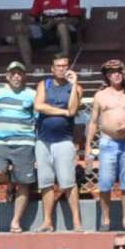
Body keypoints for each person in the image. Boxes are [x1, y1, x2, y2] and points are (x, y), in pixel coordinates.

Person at [85, 59, 125, 230]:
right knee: (105, 183)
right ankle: (105, 219)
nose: (116, 75)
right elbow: (93, 121)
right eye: (112, 72)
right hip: (108, 143)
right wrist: (89, 144)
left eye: (119, 71)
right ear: (107, 76)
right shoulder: (100, 95)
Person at [0, 60, 44, 233]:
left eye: (20, 73)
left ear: (24, 76)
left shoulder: (32, 95)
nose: (16, 76)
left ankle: (15, 221)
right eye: (13, 73)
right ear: (7, 75)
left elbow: (37, 120)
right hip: (3, 142)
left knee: (25, 183)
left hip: (25, 142)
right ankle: (10, 183)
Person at [34, 53, 82, 231]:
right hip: (44, 140)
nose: (62, 69)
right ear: (52, 69)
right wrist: (62, 112)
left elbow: (73, 108)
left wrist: (75, 84)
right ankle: (47, 221)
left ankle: (76, 222)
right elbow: (39, 106)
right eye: (58, 66)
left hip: (64, 140)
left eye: (64, 65)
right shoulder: (44, 84)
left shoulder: (76, 87)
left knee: (68, 182)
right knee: (45, 182)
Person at [17, 0, 83, 66]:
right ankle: (28, 67)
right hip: (45, 28)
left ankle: (65, 57)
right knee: (20, 28)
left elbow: (75, 19)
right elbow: (32, 17)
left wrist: (54, 22)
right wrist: (38, 22)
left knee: (61, 26)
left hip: (65, 31)